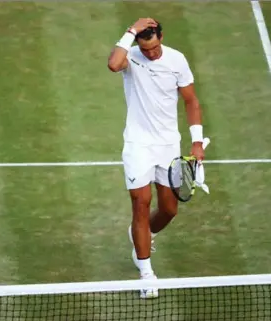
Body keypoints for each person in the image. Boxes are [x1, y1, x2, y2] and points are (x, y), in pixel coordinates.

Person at [107, 18, 205, 298]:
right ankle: (146, 273)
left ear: (161, 36)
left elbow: (191, 100)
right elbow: (113, 64)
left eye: (155, 47)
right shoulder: (131, 57)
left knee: (169, 210)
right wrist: (130, 32)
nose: (151, 54)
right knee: (140, 203)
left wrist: (197, 142)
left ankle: (141, 235)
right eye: (145, 49)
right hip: (138, 144)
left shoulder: (177, 60)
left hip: (168, 146)